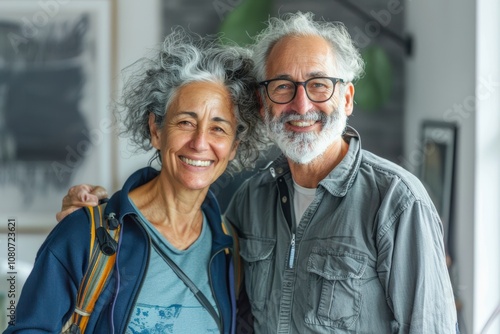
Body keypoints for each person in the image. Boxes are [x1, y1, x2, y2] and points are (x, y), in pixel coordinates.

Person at [55, 11, 459, 334]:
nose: (301, 105)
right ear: (264, 105)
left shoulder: (396, 202)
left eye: (319, 85)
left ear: (347, 97)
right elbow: (181, 237)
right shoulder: (252, 199)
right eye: (283, 86)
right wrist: (101, 217)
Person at [4, 28, 265, 334]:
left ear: (234, 145)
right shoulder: (84, 234)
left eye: (218, 129)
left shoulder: (228, 247)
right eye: (185, 122)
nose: (199, 142)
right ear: (156, 129)